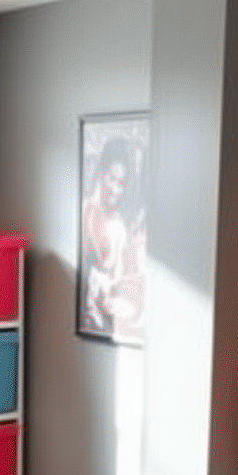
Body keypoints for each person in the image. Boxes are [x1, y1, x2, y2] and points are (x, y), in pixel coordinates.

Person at [81, 137, 144, 338]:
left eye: (122, 184)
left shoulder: (121, 226)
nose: (115, 190)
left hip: (109, 323)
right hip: (90, 317)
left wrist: (128, 303)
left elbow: (128, 274)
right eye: (112, 178)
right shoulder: (86, 212)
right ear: (101, 173)